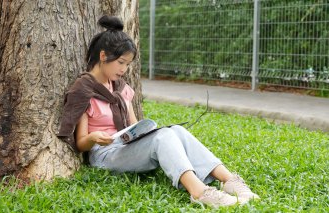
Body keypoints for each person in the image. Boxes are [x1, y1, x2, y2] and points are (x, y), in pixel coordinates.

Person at [58, 15, 259, 208]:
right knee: (163, 137)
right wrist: (94, 137)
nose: (124, 70)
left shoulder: (119, 88)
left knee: (176, 131)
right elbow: (81, 143)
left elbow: (135, 126)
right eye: (121, 63)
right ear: (103, 56)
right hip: (103, 155)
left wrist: (142, 131)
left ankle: (229, 180)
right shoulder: (84, 90)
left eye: (128, 64)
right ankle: (200, 192)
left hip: (125, 146)